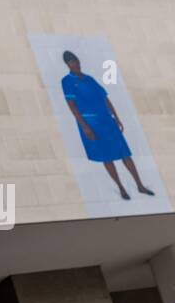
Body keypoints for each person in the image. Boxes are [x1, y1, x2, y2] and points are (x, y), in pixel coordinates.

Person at [59, 51, 154, 200]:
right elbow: (72, 106)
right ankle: (121, 188)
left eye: (76, 61)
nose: (75, 64)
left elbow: (105, 98)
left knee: (125, 153)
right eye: (71, 62)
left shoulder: (90, 79)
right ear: (67, 64)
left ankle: (140, 185)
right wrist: (84, 126)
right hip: (91, 123)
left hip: (107, 120)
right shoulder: (67, 81)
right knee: (106, 157)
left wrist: (116, 117)